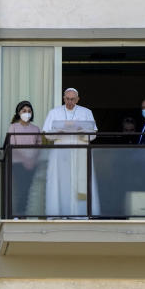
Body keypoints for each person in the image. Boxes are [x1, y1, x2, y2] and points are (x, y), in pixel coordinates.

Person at [42, 88, 100, 217]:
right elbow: (46, 134)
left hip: (81, 154)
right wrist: (59, 131)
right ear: (64, 98)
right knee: (60, 185)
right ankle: (60, 214)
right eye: (67, 99)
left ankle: (81, 214)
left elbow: (93, 135)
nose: (70, 101)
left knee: (81, 183)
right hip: (60, 156)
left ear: (78, 99)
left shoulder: (86, 112)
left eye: (72, 99)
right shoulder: (54, 113)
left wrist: (82, 131)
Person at [5, 101, 42, 217]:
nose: (27, 113)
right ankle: (17, 214)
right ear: (18, 112)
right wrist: (25, 159)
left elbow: (39, 146)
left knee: (28, 189)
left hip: (32, 163)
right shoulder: (14, 127)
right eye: (24, 111)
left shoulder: (36, 129)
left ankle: (24, 214)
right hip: (18, 163)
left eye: (29, 111)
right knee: (20, 189)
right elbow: (12, 146)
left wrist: (32, 159)